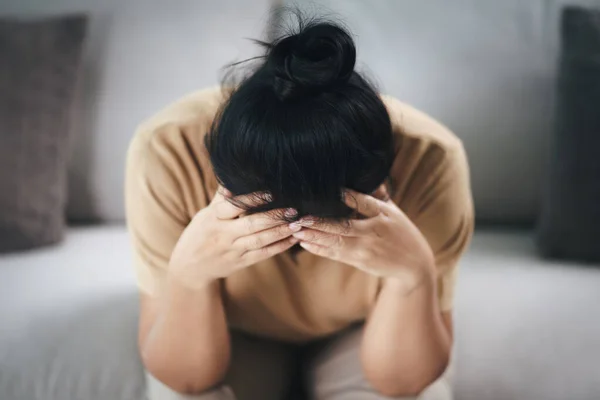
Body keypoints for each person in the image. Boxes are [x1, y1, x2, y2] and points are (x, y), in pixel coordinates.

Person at [125, 15, 473, 400]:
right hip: (229, 323)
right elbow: (186, 379)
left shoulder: (432, 159)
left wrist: (414, 275)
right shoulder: (167, 149)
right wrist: (189, 277)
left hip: (364, 326)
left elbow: (402, 383)